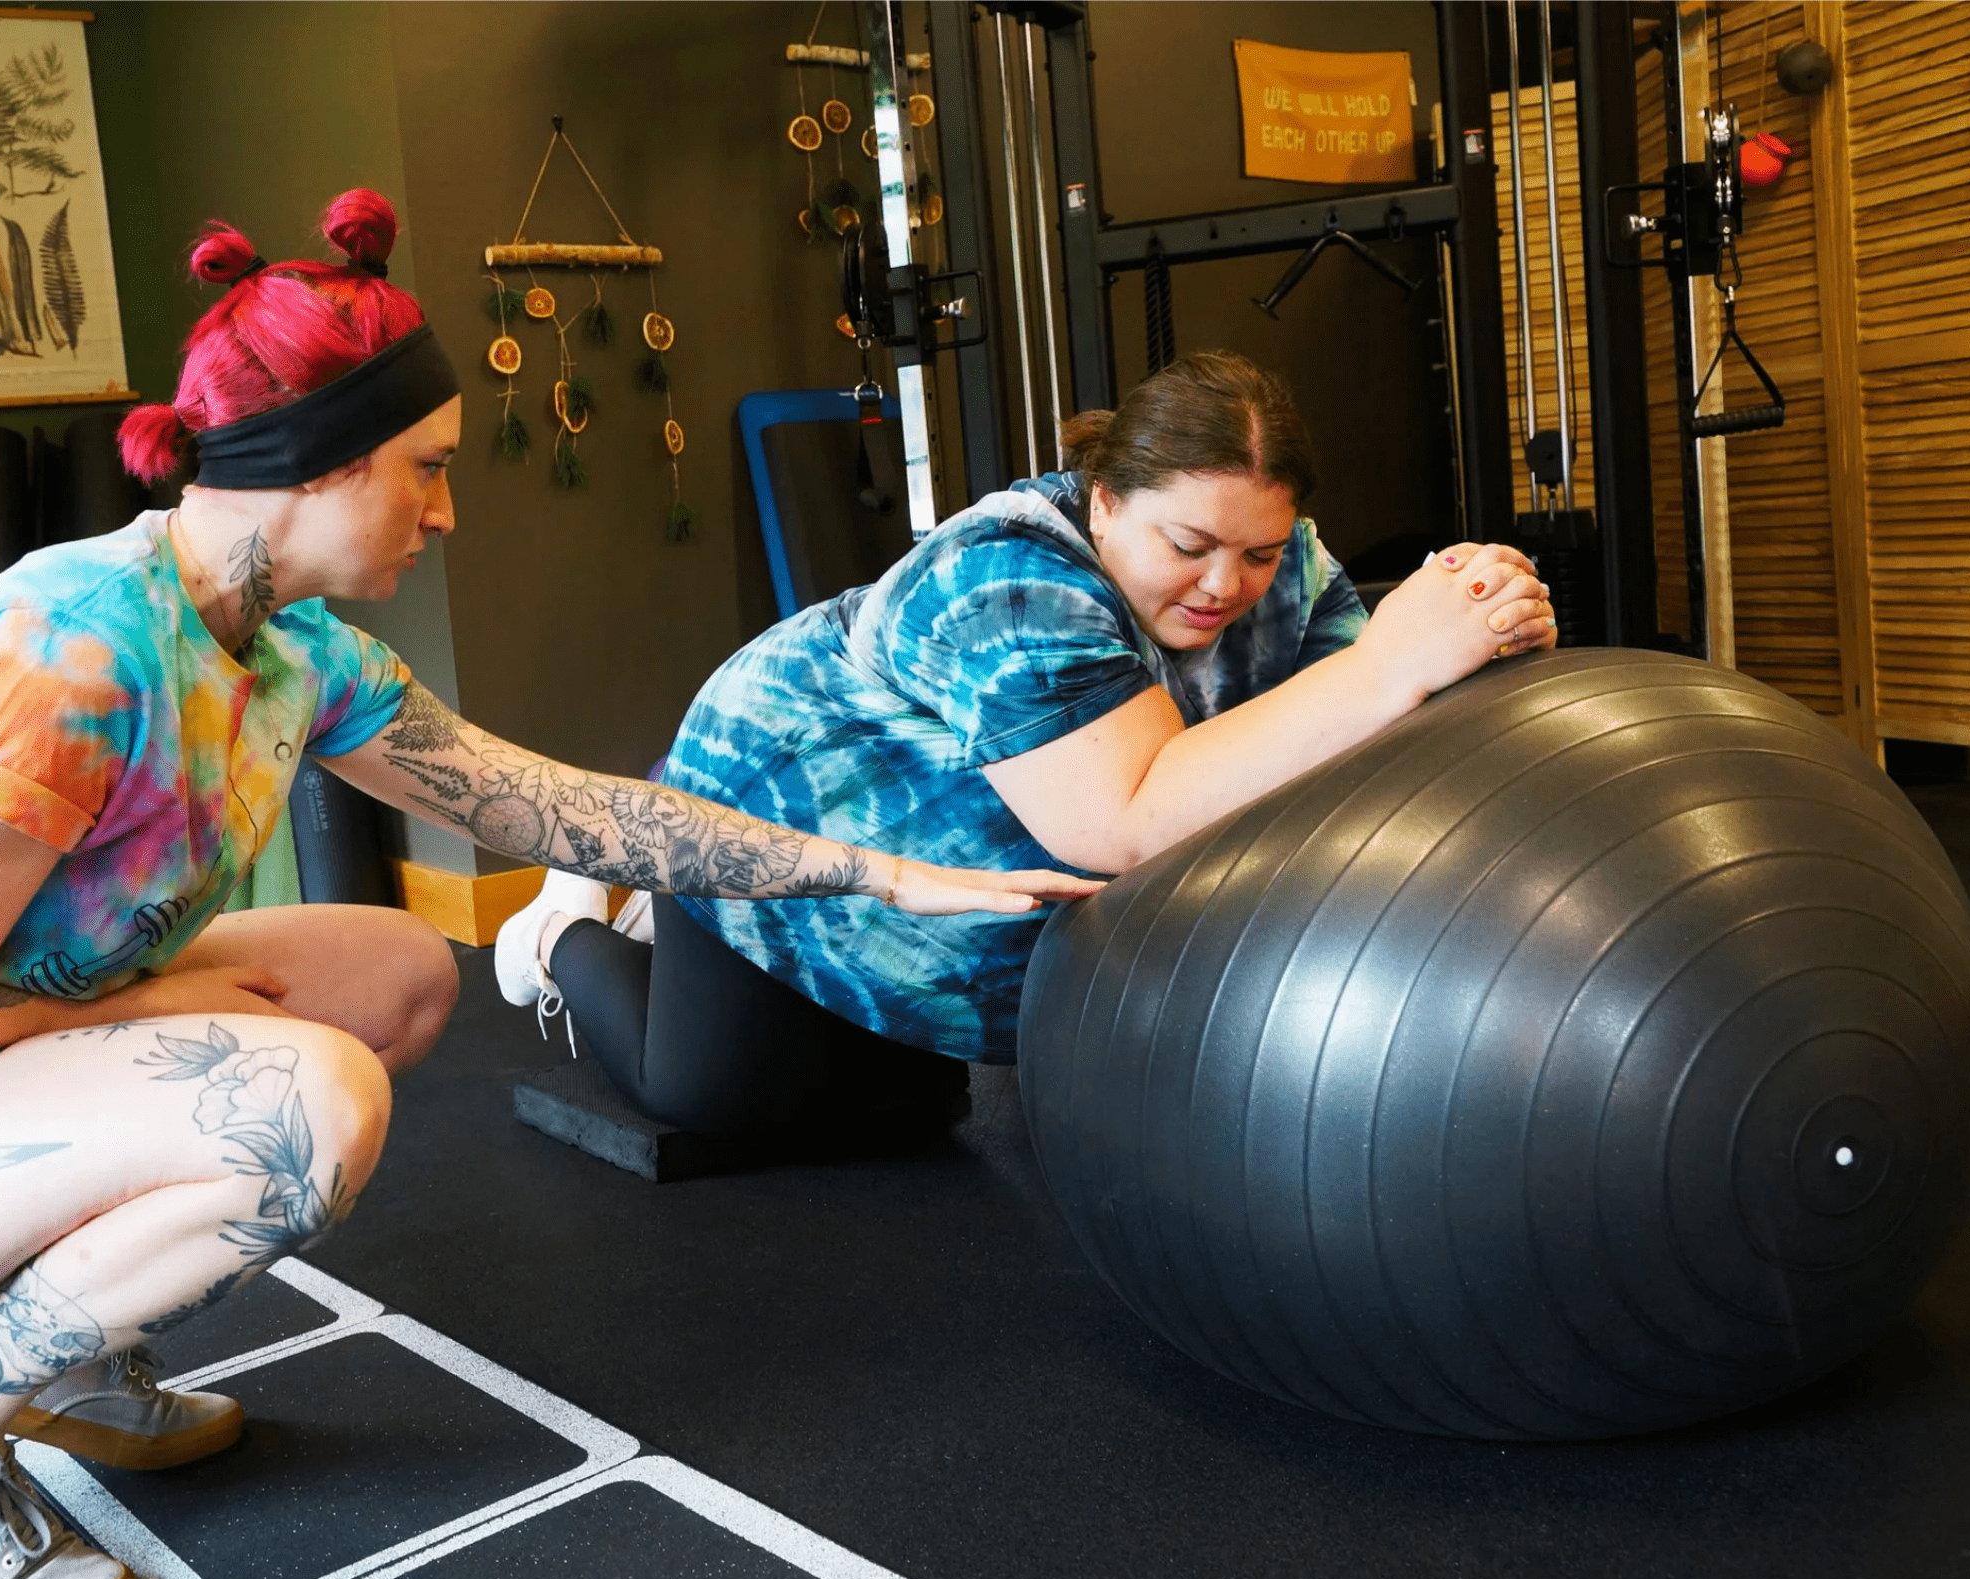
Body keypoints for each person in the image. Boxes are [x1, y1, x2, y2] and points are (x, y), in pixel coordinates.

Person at [0, 188, 1094, 1579]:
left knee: (390, 973)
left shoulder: (287, 651)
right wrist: (185, 1021)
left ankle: (64, 1363)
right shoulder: (68, 654)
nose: (448, 511)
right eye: (428, 470)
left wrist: (878, 871)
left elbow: (549, 809)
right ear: (311, 468)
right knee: (304, 1101)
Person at [494, 349, 1557, 1141]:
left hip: (948, 887)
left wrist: (1472, 629)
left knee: (910, 1106)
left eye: (1259, 551)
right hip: (770, 807)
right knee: (707, 1099)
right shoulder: (1006, 577)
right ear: (1102, 501)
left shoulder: (1293, 572)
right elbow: (1124, 820)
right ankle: (574, 912)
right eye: (1186, 545)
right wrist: (1392, 662)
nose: (1225, 584)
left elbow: (1363, 754)